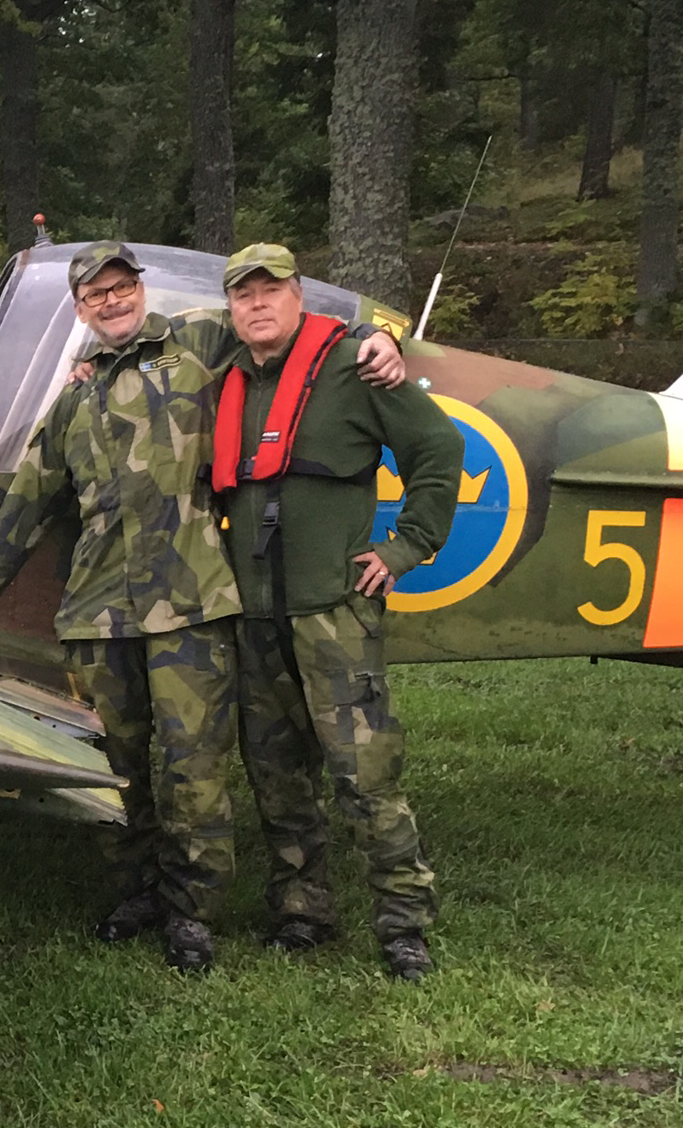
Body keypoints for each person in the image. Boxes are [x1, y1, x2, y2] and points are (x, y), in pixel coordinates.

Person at [0, 241, 404, 972]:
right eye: (96, 295)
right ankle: (137, 890)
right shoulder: (73, 398)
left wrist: (375, 336)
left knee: (195, 767)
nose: (112, 301)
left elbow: (281, 328)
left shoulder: (199, 343)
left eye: (122, 286)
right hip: (98, 614)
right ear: (80, 309)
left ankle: (192, 910)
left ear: (140, 289)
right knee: (114, 765)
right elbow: (28, 504)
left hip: (190, 608)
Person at [212, 243, 461, 980]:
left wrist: (407, 546)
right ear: (231, 308)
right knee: (276, 773)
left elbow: (438, 449)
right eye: (244, 294)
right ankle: (302, 909)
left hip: (333, 613)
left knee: (365, 773)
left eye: (271, 290)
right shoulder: (224, 376)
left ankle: (404, 922)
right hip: (255, 615)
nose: (258, 304)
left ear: (299, 296)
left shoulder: (356, 365)